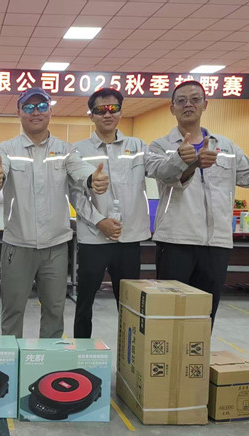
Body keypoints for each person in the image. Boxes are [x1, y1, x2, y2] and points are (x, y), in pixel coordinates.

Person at [0, 87, 109, 338]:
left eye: (42, 106)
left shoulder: (65, 150)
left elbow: (80, 169)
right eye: (29, 107)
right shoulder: (6, 149)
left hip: (56, 246)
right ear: (19, 112)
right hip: (17, 246)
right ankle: (11, 358)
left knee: (55, 311)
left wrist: (92, 178)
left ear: (50, 111)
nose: (36, 112)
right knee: (12, 311)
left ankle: (47, 361)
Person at [149, 80, 249, 326]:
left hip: (216, 243)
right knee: (169, 315)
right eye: (181, 101)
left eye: (195, 99)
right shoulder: (160, 146)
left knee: (205, 315)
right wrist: (187, 161)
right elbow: (162, 174)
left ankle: (199, 352)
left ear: (205, 104)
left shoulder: (225, 146)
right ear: (172, 108)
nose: (188, 105)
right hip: (176, 240)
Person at [70, 88, 150, 338]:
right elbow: (75, 195)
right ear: (91, 115)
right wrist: (100, 221)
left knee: (130, 306)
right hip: (94, 239)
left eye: (113, 108)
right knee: (84, 304)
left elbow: (163, 170)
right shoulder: (78, 151)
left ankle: (129, 357)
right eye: (100, 110)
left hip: (128, 238)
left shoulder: (138, 147)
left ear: (120, 112)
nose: (107, 114)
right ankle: (81, 352)